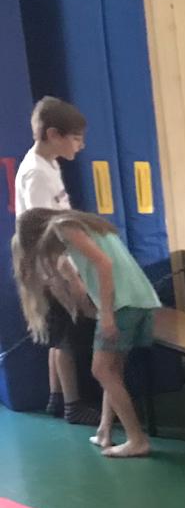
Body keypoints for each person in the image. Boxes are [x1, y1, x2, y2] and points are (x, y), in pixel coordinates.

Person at [12, 208, 158, 459]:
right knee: (112, 369)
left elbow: (104, 263)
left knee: (101, 370)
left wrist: (107, 313)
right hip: (139, 298)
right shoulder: (86, 225)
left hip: (122, 303)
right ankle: (104, 431)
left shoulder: (62, 226)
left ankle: (137, 439)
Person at [14, 96, 98, 428]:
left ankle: (56, 397)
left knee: (58, 333)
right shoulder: (35, 172)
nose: (81, 145)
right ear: (53, 134)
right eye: (76, 138)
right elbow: (43, 232)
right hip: (49, 264)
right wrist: (66, 275)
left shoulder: (49, 163)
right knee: (67, 338)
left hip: (57, 260)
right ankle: (73, 405)